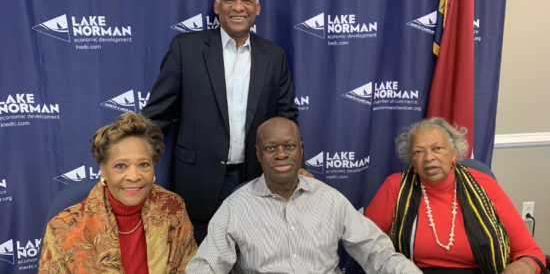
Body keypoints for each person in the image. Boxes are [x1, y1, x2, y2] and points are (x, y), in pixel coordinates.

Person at [141, 0, 312, 244]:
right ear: (216, 6)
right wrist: (128, 158)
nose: (239, 7)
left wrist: (297, 167)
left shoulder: (275, 56)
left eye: (247, 1)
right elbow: (157, 115)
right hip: (198, 183)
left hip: (256, 179)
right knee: (198, 261)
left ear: (258, 8)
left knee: (251, 260)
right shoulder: (185, 48)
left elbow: (286, 119)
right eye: (230, 0)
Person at [186, 117, 422, 274]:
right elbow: (206, 266)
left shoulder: (329, 199)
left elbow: (376, 251)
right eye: (270, 148)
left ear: (301, 149)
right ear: (258, 154)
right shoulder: (236, 206)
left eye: (289, 146)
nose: (281, 154)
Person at [365, 117, 546, 274]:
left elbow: (529, 251)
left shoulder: (484, 185)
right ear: (412, 160)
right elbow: (365, 241)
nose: (428, 157)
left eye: (437, 148)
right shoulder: (395, 186)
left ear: (453, 152)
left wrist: (525, 265)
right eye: (418, 152)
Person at [38, 112, 197, 274]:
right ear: (103, 170)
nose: (134, 176)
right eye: (121, 166)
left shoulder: (172, 208)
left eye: (143, 164)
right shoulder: (62, 229)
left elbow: (190, 267)